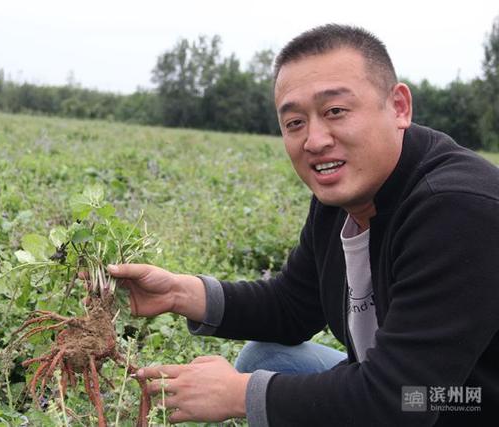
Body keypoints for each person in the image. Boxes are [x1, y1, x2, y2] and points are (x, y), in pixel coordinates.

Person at [107, 24, 499, 426]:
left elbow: (401, 400)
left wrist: (238, 394)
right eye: (295, 122)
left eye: (335, 112)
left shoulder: (459, 209)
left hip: (460, 403)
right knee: (266, 358)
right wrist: (178, 292)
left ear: (398, 107)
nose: (314, 140)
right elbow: (293, 304)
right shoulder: (344, 196)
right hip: (405, 392)